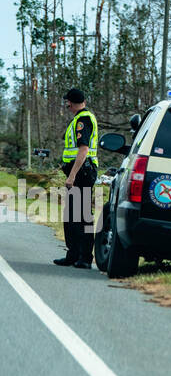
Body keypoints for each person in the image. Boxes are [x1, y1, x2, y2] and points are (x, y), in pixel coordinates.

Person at [54, 88, 98, 269]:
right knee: (72, 216)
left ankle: (85, 257)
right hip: (81, 172)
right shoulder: (79, 119)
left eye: (67, 101)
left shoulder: (83, 120)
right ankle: (73, 254)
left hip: (82, 173)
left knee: (82, 217)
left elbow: (83, 149)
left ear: (71, 102)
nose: (66, 104)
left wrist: (72, 175)